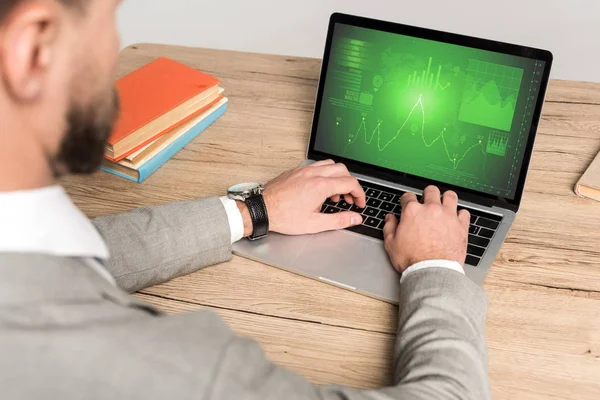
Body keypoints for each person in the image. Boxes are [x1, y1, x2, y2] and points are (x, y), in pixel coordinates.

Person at [0, 1, 490, 399]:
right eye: (109, 16)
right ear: (32, 46)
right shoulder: (159, 368)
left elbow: (62, 263)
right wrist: (435, 266)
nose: (113, 49)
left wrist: (253, 211)